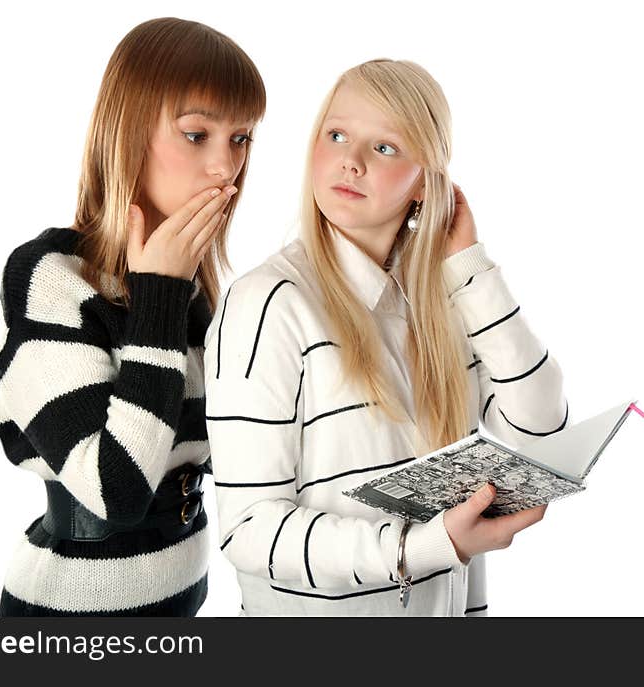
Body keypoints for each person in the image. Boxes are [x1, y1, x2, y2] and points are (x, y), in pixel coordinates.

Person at [204, 59, 567, 616]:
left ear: (428, 181)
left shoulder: (444, 305)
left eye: (385, 148)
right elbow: (250, 530)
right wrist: (424, 547)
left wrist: (469, 267)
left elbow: (541, 429)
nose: (350, 161)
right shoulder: (268, 303)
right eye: (338, 135)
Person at [0, 18, 265, 616]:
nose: (225, 167)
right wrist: (158, 294)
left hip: (179, 608)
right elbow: (116, 491)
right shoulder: (48, 279)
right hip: (70, 624)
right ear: (130, 133)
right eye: (197, 135)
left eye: (240, 138)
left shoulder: (194, 293)